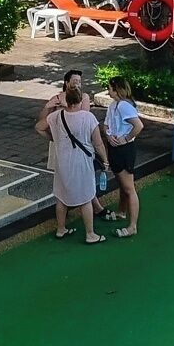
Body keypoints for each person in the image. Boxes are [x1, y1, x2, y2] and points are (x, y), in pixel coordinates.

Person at [36, 79, 107, 244]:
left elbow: (39, 127)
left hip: (62, 161)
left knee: (61, 196)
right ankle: (90, 234)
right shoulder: (88, 117)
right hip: (82, 162)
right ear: (80, 100)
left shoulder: (56, 116)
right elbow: (98, 143)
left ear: (66, 100)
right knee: (86, 197)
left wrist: (54, 139)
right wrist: (105, 159)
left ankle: (61, 229)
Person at [100, 76, 144, 238]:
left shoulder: (124, 106)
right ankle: (121, 211)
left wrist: (125, 138)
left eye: (110, 88)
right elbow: (106, 125)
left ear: (116, 89)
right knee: (122, 183)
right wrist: (108, 135)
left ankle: (132, 226)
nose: (108, 91)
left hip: (124, 149)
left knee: (129, 188)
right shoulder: (113, 105)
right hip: (115, 148)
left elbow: (138, 125)